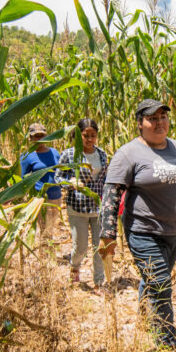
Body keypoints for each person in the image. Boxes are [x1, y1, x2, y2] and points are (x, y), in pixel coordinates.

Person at [99, 99, 176, 352]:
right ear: (140, 123)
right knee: (161, 283)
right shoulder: (129, 153)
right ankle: (165, 345)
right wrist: (107, 234)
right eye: (152, 118)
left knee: (155, 279)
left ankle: (146, 315)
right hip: (143, 231)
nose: (159, 122)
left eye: (163, 117)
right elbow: (112, 194)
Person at [57, 118, 109, 288]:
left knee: (98, 248)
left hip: (97, 208)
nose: (89, 139)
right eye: (85, 136)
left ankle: (99, 282)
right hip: (77, 206)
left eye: (93, 135)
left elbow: (105, 179)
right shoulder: (69, 154)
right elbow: (57, 177)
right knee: (80, 247)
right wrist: (70, 183)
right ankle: (75, 268)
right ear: (77, 136)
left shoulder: (102, 154)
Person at [20, 122, 62, 240]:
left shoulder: (55, 153)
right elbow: (23, 179)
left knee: (51, 226)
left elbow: (61, 172)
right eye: (36, 136)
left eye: (42, 135)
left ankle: (48, 254)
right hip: (40, 198)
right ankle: (45, 256)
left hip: (56, 196)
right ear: (30, 138)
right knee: (44, 228)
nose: (40, 139)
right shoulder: (27, 156)